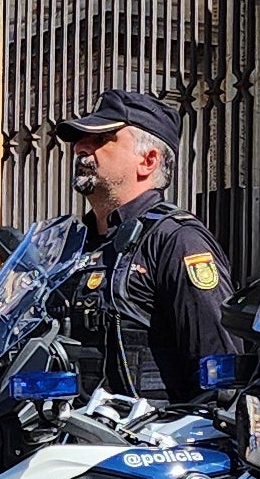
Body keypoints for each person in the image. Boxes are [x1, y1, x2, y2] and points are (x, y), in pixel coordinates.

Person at [42, 90, 235, 404]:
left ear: (148, 160)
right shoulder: (71, 246)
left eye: (102, 138)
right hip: (72, 441)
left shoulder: (176, 240)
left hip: (145, 445)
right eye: (81, 140)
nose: (80, 148)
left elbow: (220, 372)